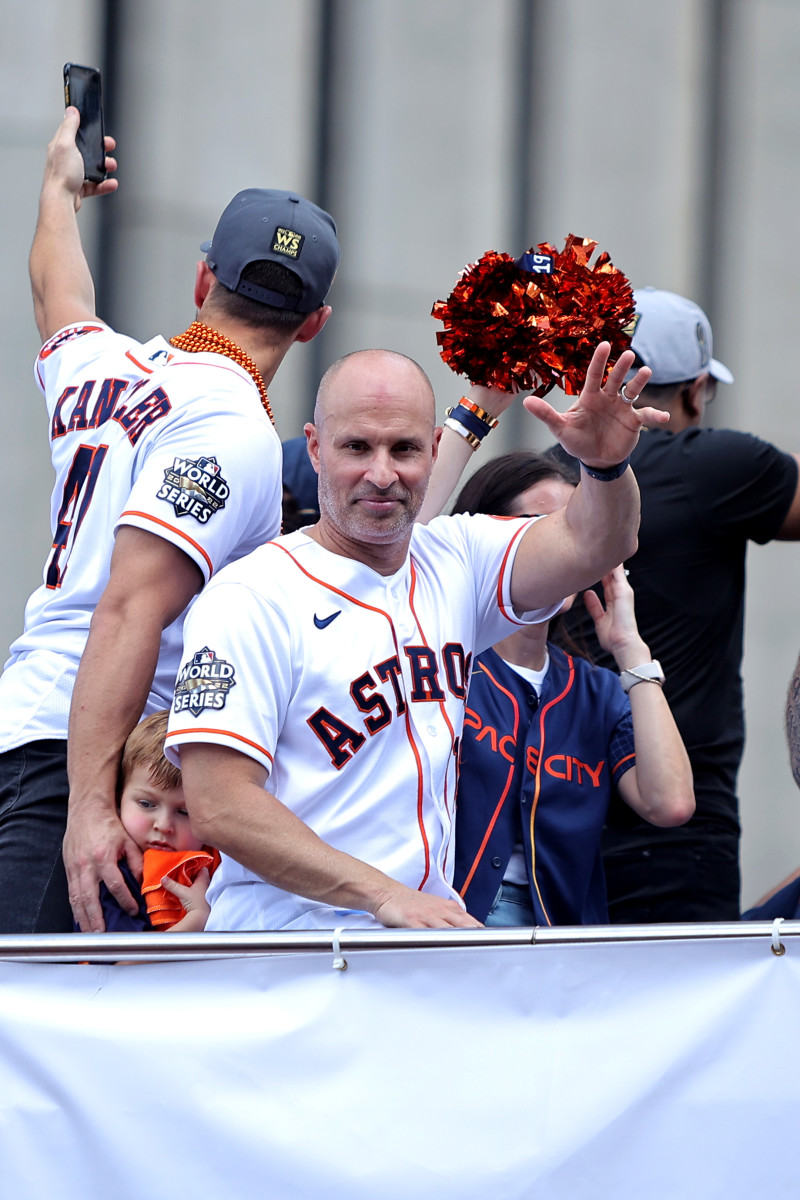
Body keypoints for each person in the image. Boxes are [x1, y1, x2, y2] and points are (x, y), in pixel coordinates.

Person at [164, 342, 660, 931]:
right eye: (357, 447)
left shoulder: (456, 556)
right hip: (287, 953)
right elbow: (220, 803)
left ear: (432, 450)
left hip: (414, 949)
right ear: (316, 448)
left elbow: (596, 543)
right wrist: (382, 895)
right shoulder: (251, 595)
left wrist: (604, 468)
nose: (382, 473)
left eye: (404, 449)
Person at [0, 106, 339, 934]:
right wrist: (89, 808)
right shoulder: (234, 429)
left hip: (23, 726)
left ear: (202, 280)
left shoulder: (104, 362)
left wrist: (57, 188)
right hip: (92, 766)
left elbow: (59, 289)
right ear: (314, 323)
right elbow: (129, 609)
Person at [555, 287, 800, 922]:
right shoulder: (719, 466)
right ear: (694, 389)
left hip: (553, 815)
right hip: (682, 822)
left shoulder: (545, 476)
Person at [449, 451, 694, 926]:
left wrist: (631, 652)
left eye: (568, 527)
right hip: (446, 933)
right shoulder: (444, 665)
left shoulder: (596, 691)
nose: (557, 545)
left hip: (561, 949)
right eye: (533, 527)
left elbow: (670, 803)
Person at [95, 710, 217, 933]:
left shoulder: (223, 864)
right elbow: (122, 966)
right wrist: (196, 921)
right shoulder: (113, 873)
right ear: (118, 798)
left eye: (185, 812)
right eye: (146, 804)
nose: (163, 825)